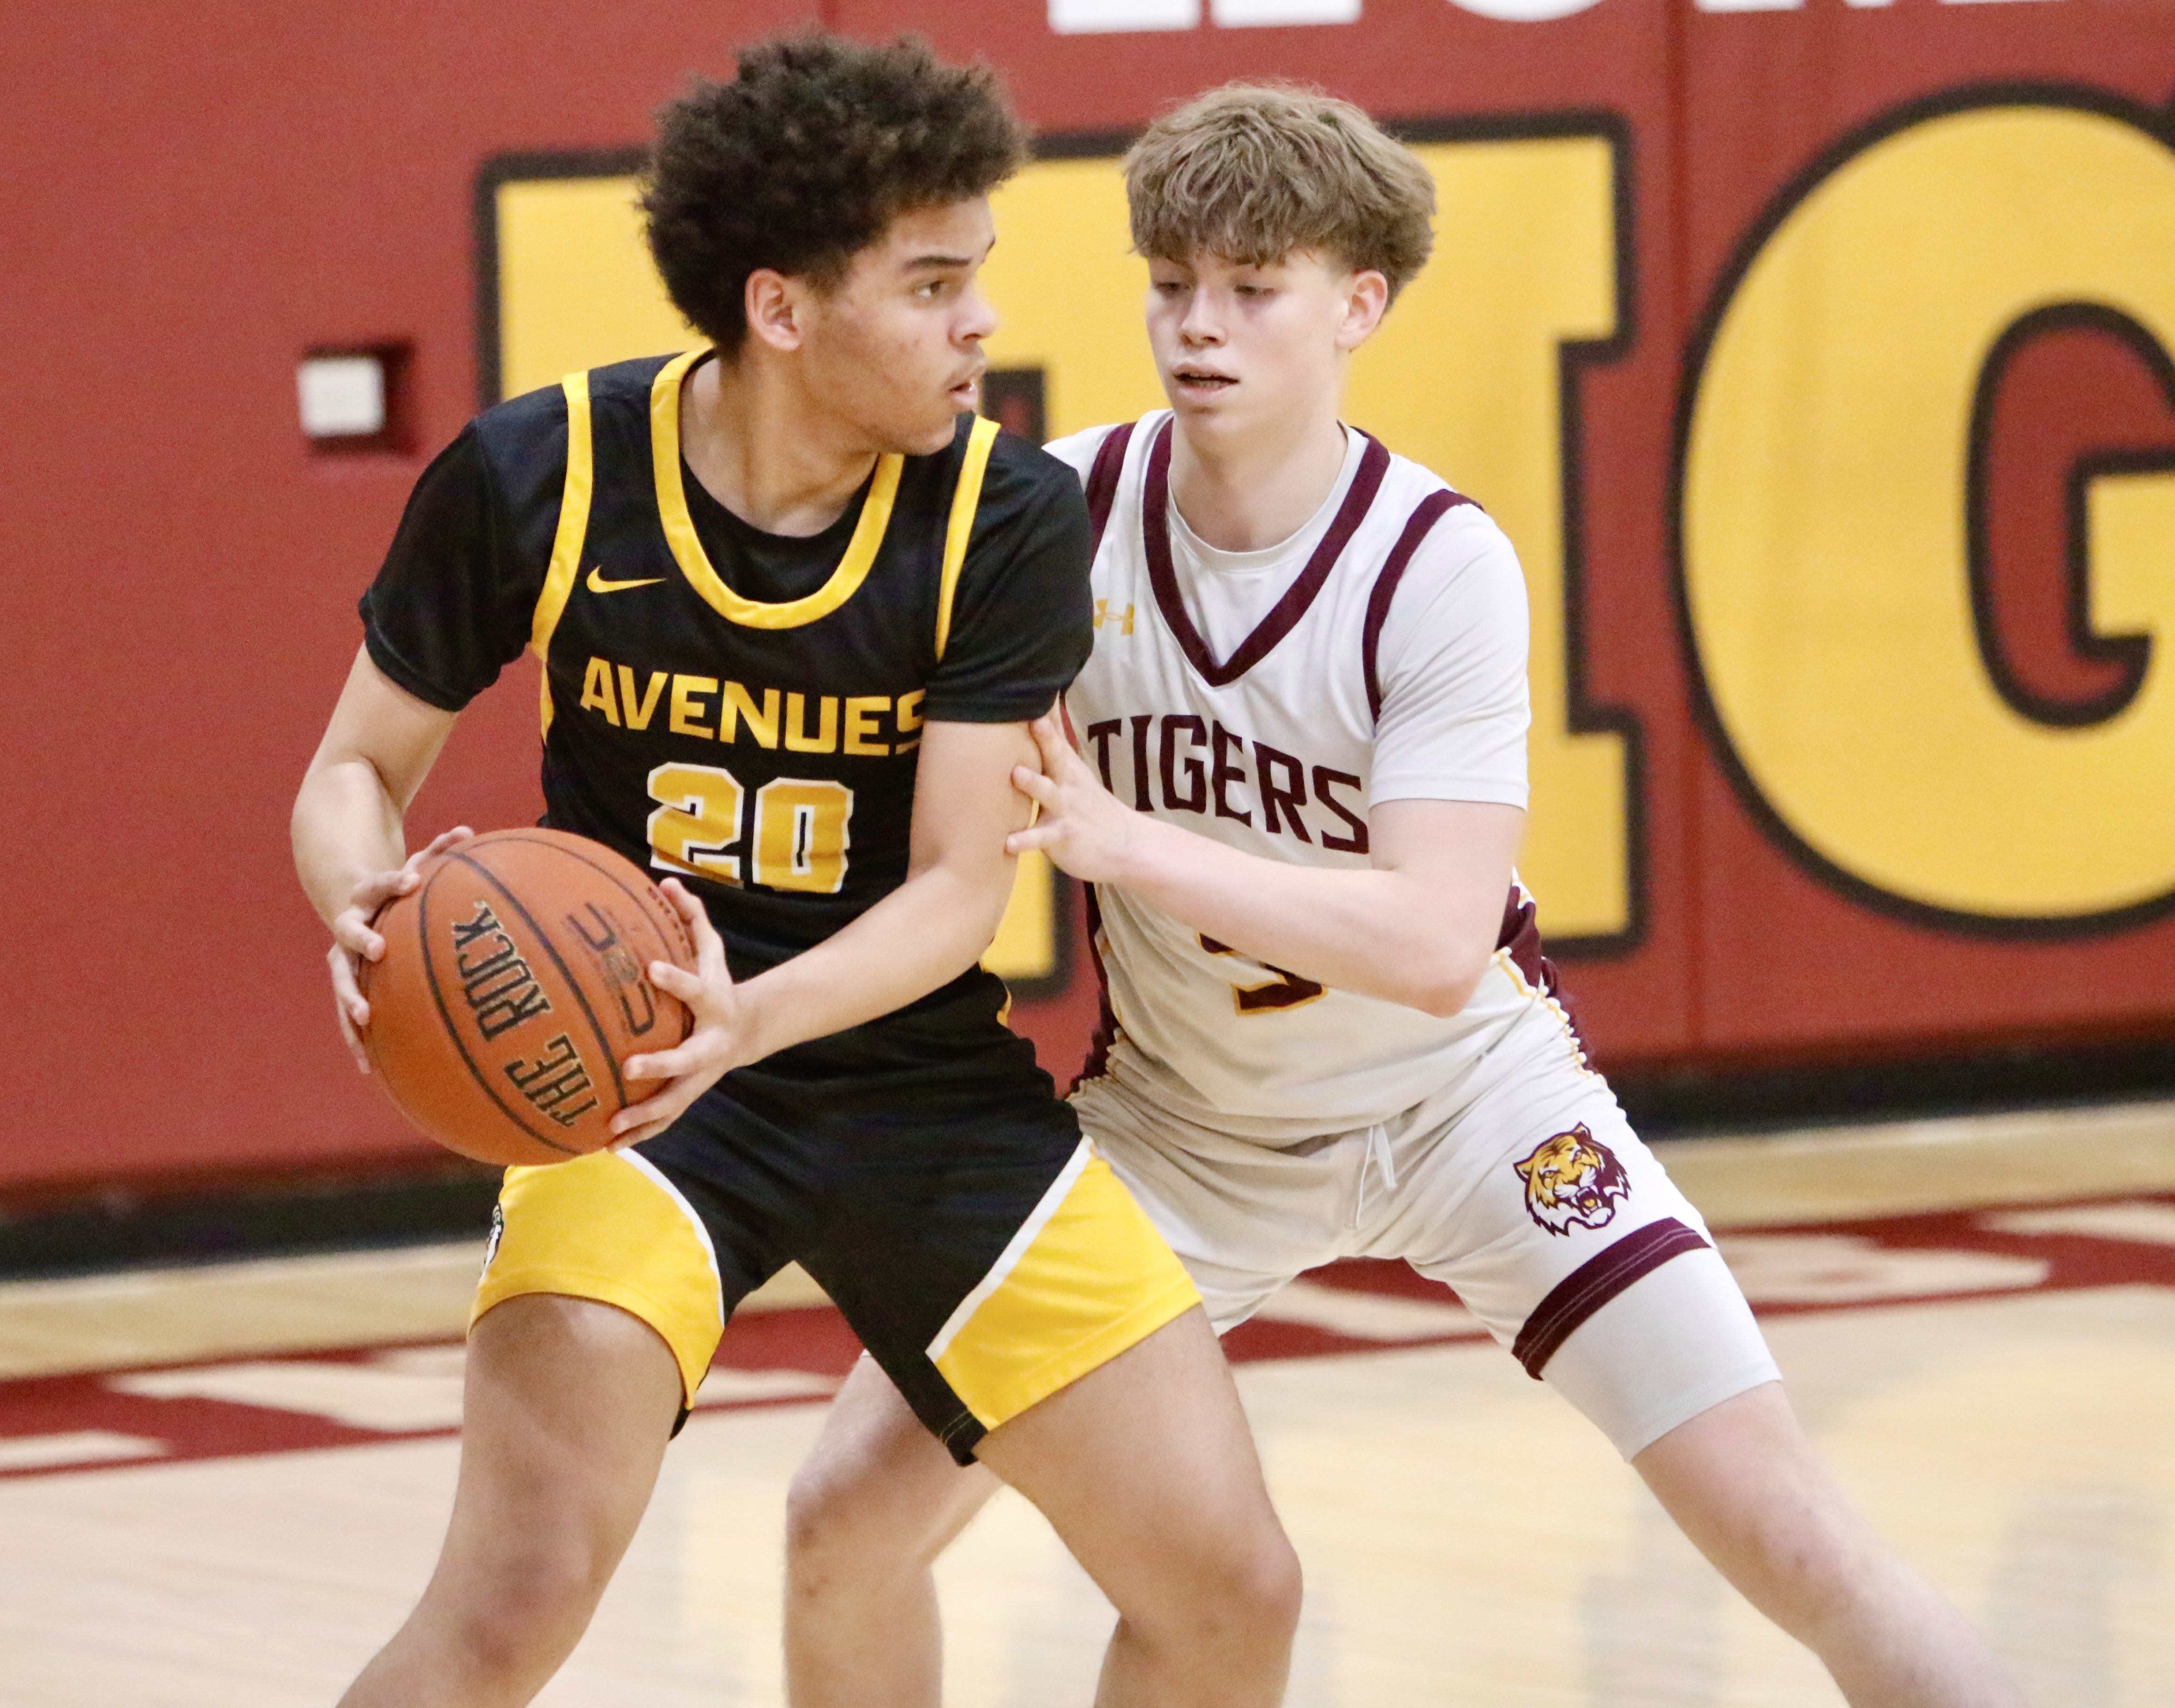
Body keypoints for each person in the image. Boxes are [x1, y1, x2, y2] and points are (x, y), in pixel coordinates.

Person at [782, 83, 2024, 1708]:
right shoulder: (1053, 520)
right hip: (1183, 1136)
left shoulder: (1438, 564)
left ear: (1358, 306)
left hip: (1473, 1112)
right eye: (1173, 284)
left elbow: (1438, 945)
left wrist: (1132, 844)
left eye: (1254, 289)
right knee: (843, 1520)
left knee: (1802, 1548)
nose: (1199, 327)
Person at [291, 36, 1300, 1708]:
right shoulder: (543, 473)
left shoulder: (1003, 517)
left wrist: (746, 1019)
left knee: (1231, 1589)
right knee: (515, 1596)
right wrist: (364, 900)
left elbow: (959, 891)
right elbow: (353, 773)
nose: (981, 323)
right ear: (780, 309)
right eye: (932, 285)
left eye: (977, 277)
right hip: (628, 1089)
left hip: (910, 1084)